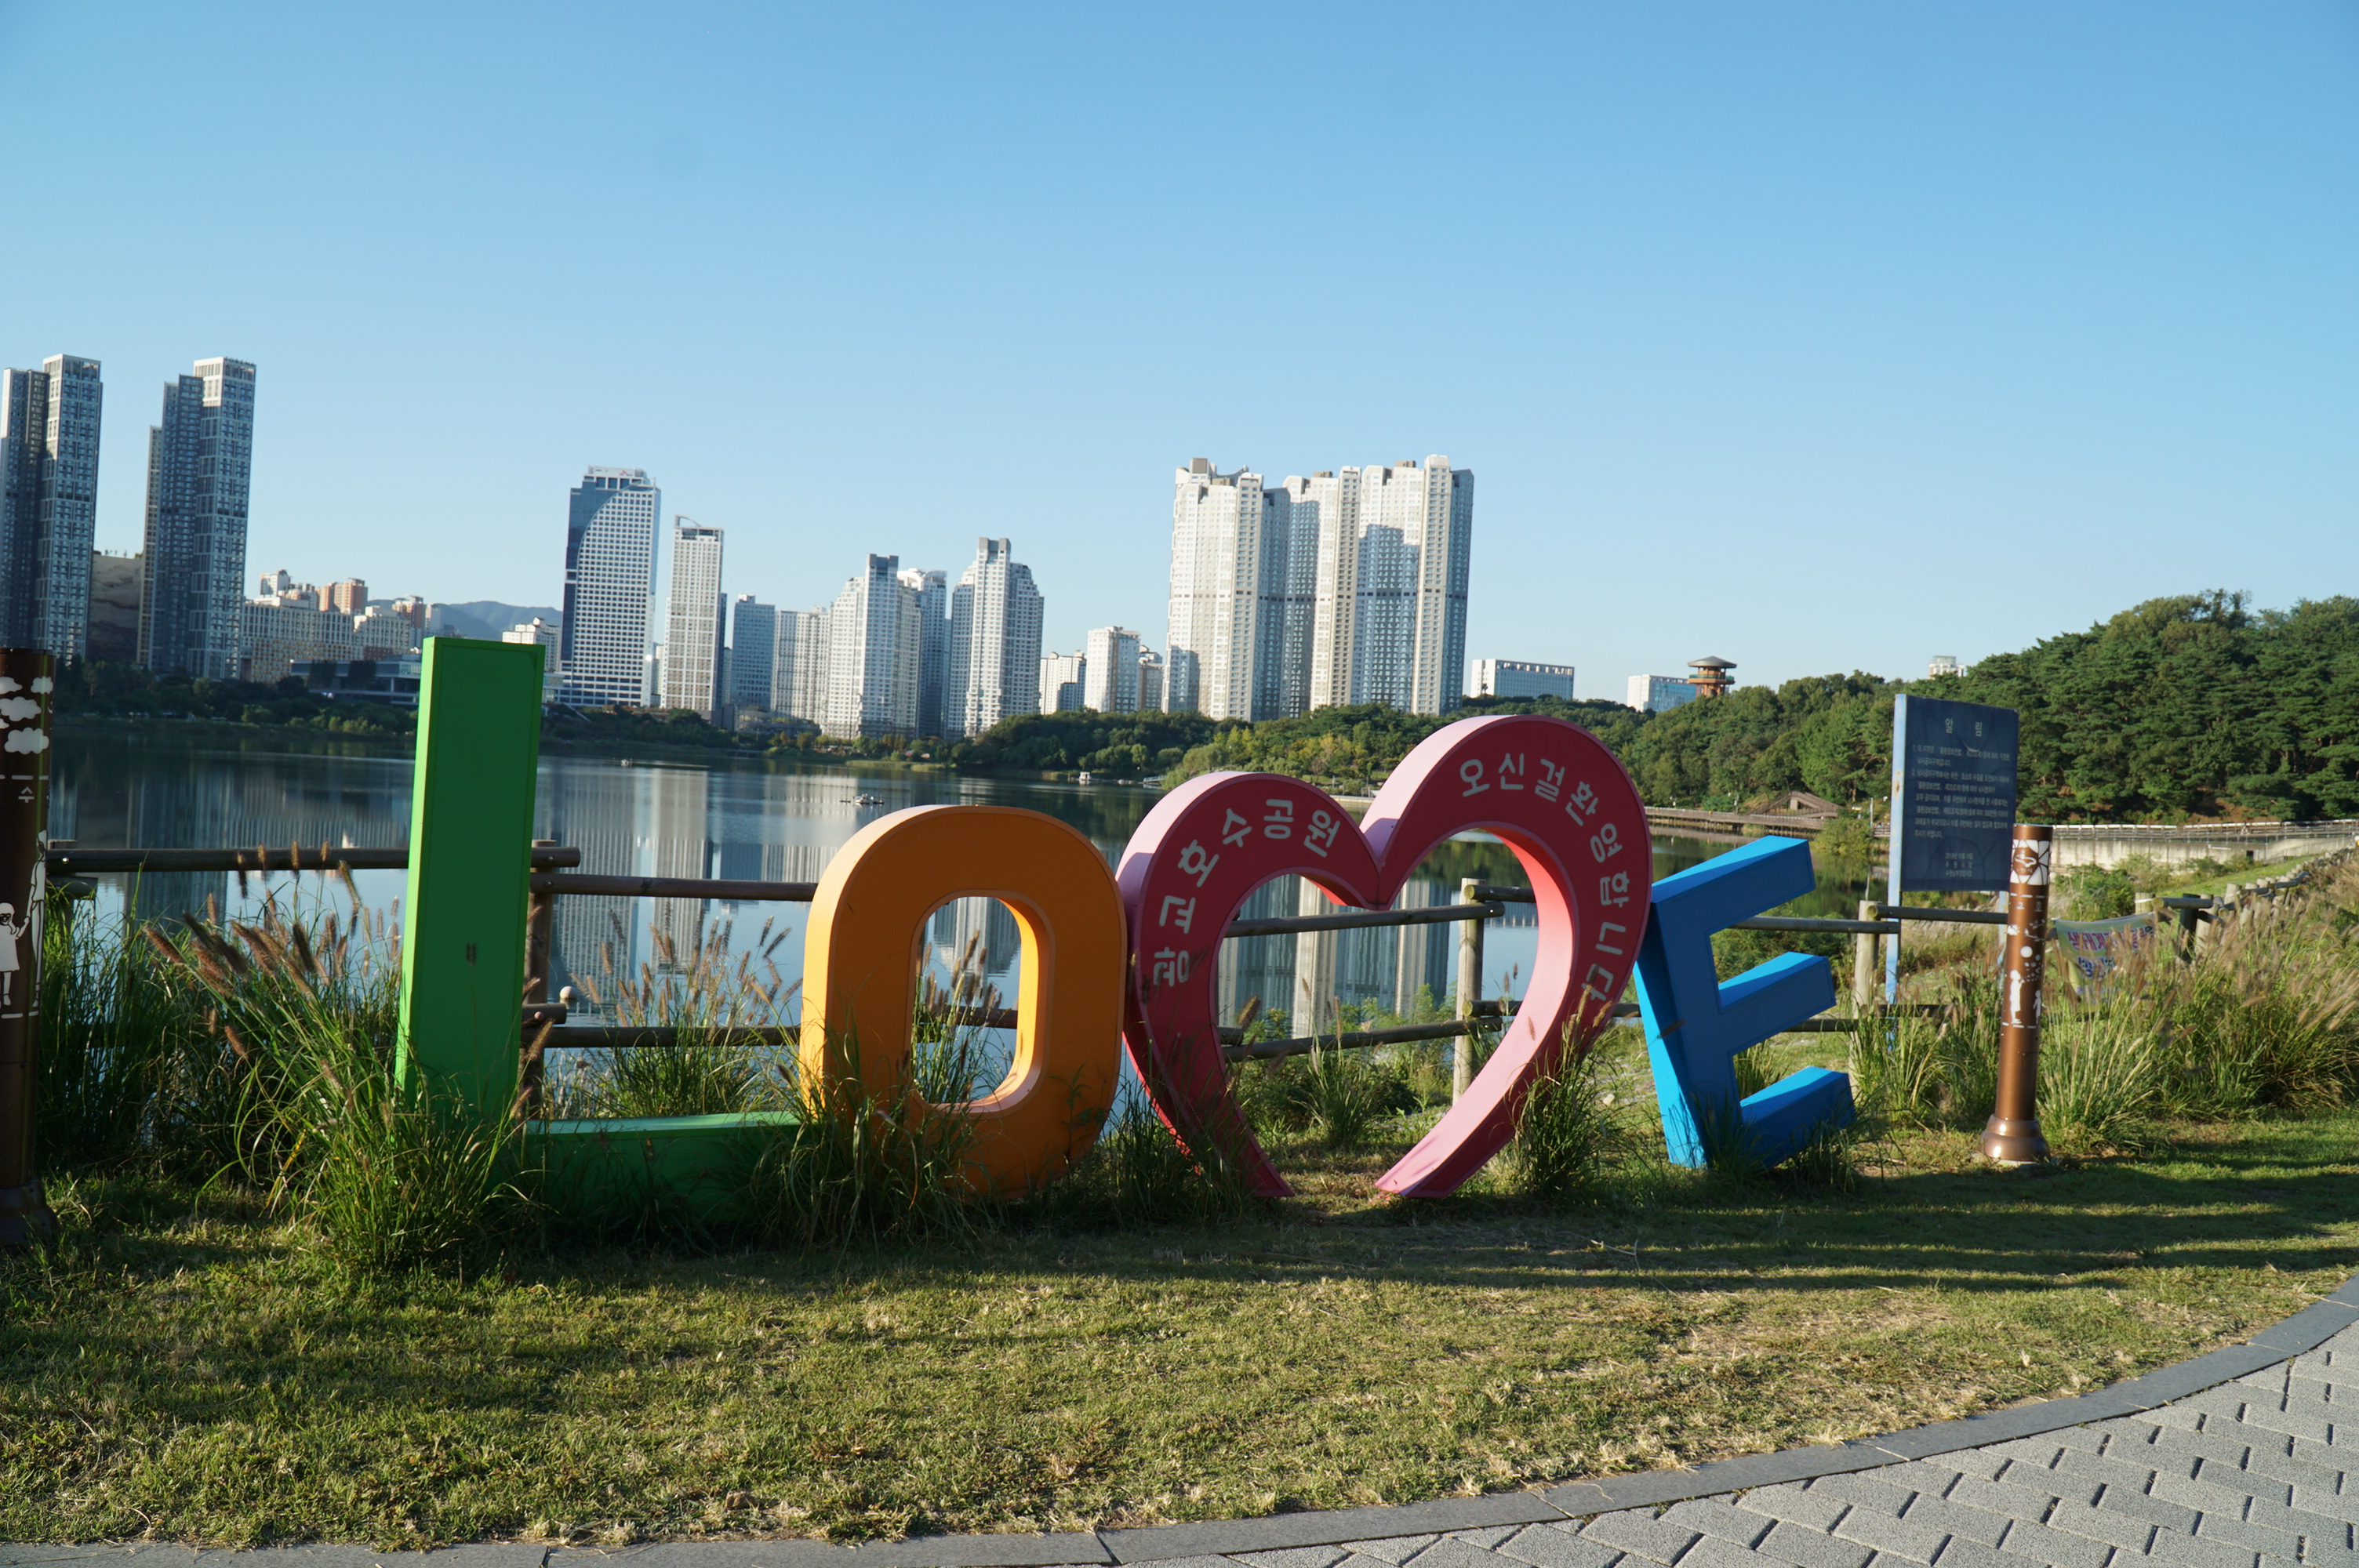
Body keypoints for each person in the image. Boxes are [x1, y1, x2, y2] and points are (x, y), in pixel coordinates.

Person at [0, 902, 21, 1009]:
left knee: (7, 976)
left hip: (8, 956)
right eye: (2, 915)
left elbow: (18, 935)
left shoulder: (12, 929)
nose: (4, 918)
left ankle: (5, 996)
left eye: (7, 915)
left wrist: (26, 922)